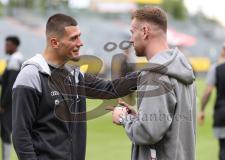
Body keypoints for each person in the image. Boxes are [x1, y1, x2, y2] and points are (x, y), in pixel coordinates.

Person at [12, 13, 137, 160]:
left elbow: (110, 88)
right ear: (54, 42)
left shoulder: (75, 75)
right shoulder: (31, 75)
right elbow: (21, 134)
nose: (80, 43)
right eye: (74, 38)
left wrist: (149, 75)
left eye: (80, 36)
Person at [110, 6, 196, 160]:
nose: (130, 39)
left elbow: (148, 133)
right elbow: (171, 121)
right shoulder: (183, 65)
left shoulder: (153, 73)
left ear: (144, 31)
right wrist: (140, 117)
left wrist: (123, 118)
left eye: (132, 32)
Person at [198, 42, 225, 160]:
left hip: (222, 112)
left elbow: (208, 92)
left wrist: (202, 110)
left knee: (222, 147)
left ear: (223, 52)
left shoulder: (215, 69)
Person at [0, 36, 23, 160]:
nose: (5, 47)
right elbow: (4, 80)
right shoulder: (13, 59)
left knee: (6, 131)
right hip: (12, 102)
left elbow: (10, 85)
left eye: (7, 45)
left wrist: (3, 104)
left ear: (14, 46)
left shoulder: (14, 60)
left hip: (9, 104)